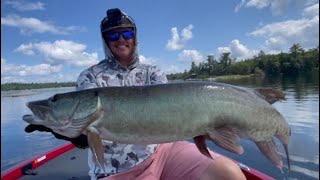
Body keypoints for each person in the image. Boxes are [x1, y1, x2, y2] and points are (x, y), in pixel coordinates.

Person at [25, 8, 246, 180]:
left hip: (162, 153)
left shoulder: (153, 73)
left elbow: (172, 119)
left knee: (229, 173)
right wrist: (64, 130)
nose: (121, 39)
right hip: (114, 170)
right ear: (105, 41)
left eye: (126, 33)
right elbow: (86, 139)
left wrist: (206, 126)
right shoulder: (90, 78)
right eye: (113, 36)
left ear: (134, 37)